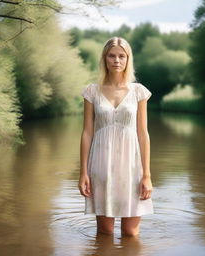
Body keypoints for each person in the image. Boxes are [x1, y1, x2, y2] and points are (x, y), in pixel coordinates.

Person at [78, 36, 154, 237]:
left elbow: (143, 134)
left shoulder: (139, 92)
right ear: (104, 59)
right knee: (105, 232)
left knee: (130, 233)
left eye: (122, 56)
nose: (117, 61)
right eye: (111, 56)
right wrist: (83, 172)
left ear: (128, 59)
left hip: (132, 165)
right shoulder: (91, 91)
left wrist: (146, 174)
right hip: (101, 164)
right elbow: (87, 133)